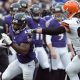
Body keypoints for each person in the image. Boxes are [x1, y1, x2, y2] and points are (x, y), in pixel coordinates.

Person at [30, 1, 80, 80]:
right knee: (70, 70)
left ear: (70, 11)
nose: (64, 13)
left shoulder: (70, 22)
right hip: (77, 55)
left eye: (66, 11)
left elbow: (56, 31)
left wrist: (38, 30)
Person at [2, 12, 36, 80]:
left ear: (24, 25)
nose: (15, 26)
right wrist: (4, 39)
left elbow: (23, 52)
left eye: (18, 25)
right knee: (4, 77)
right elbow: (10, 35)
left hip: (28, 63)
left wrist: (11, 43)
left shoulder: (27, 34)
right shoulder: (11, 28)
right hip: (19, 61)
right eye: (14, 24)